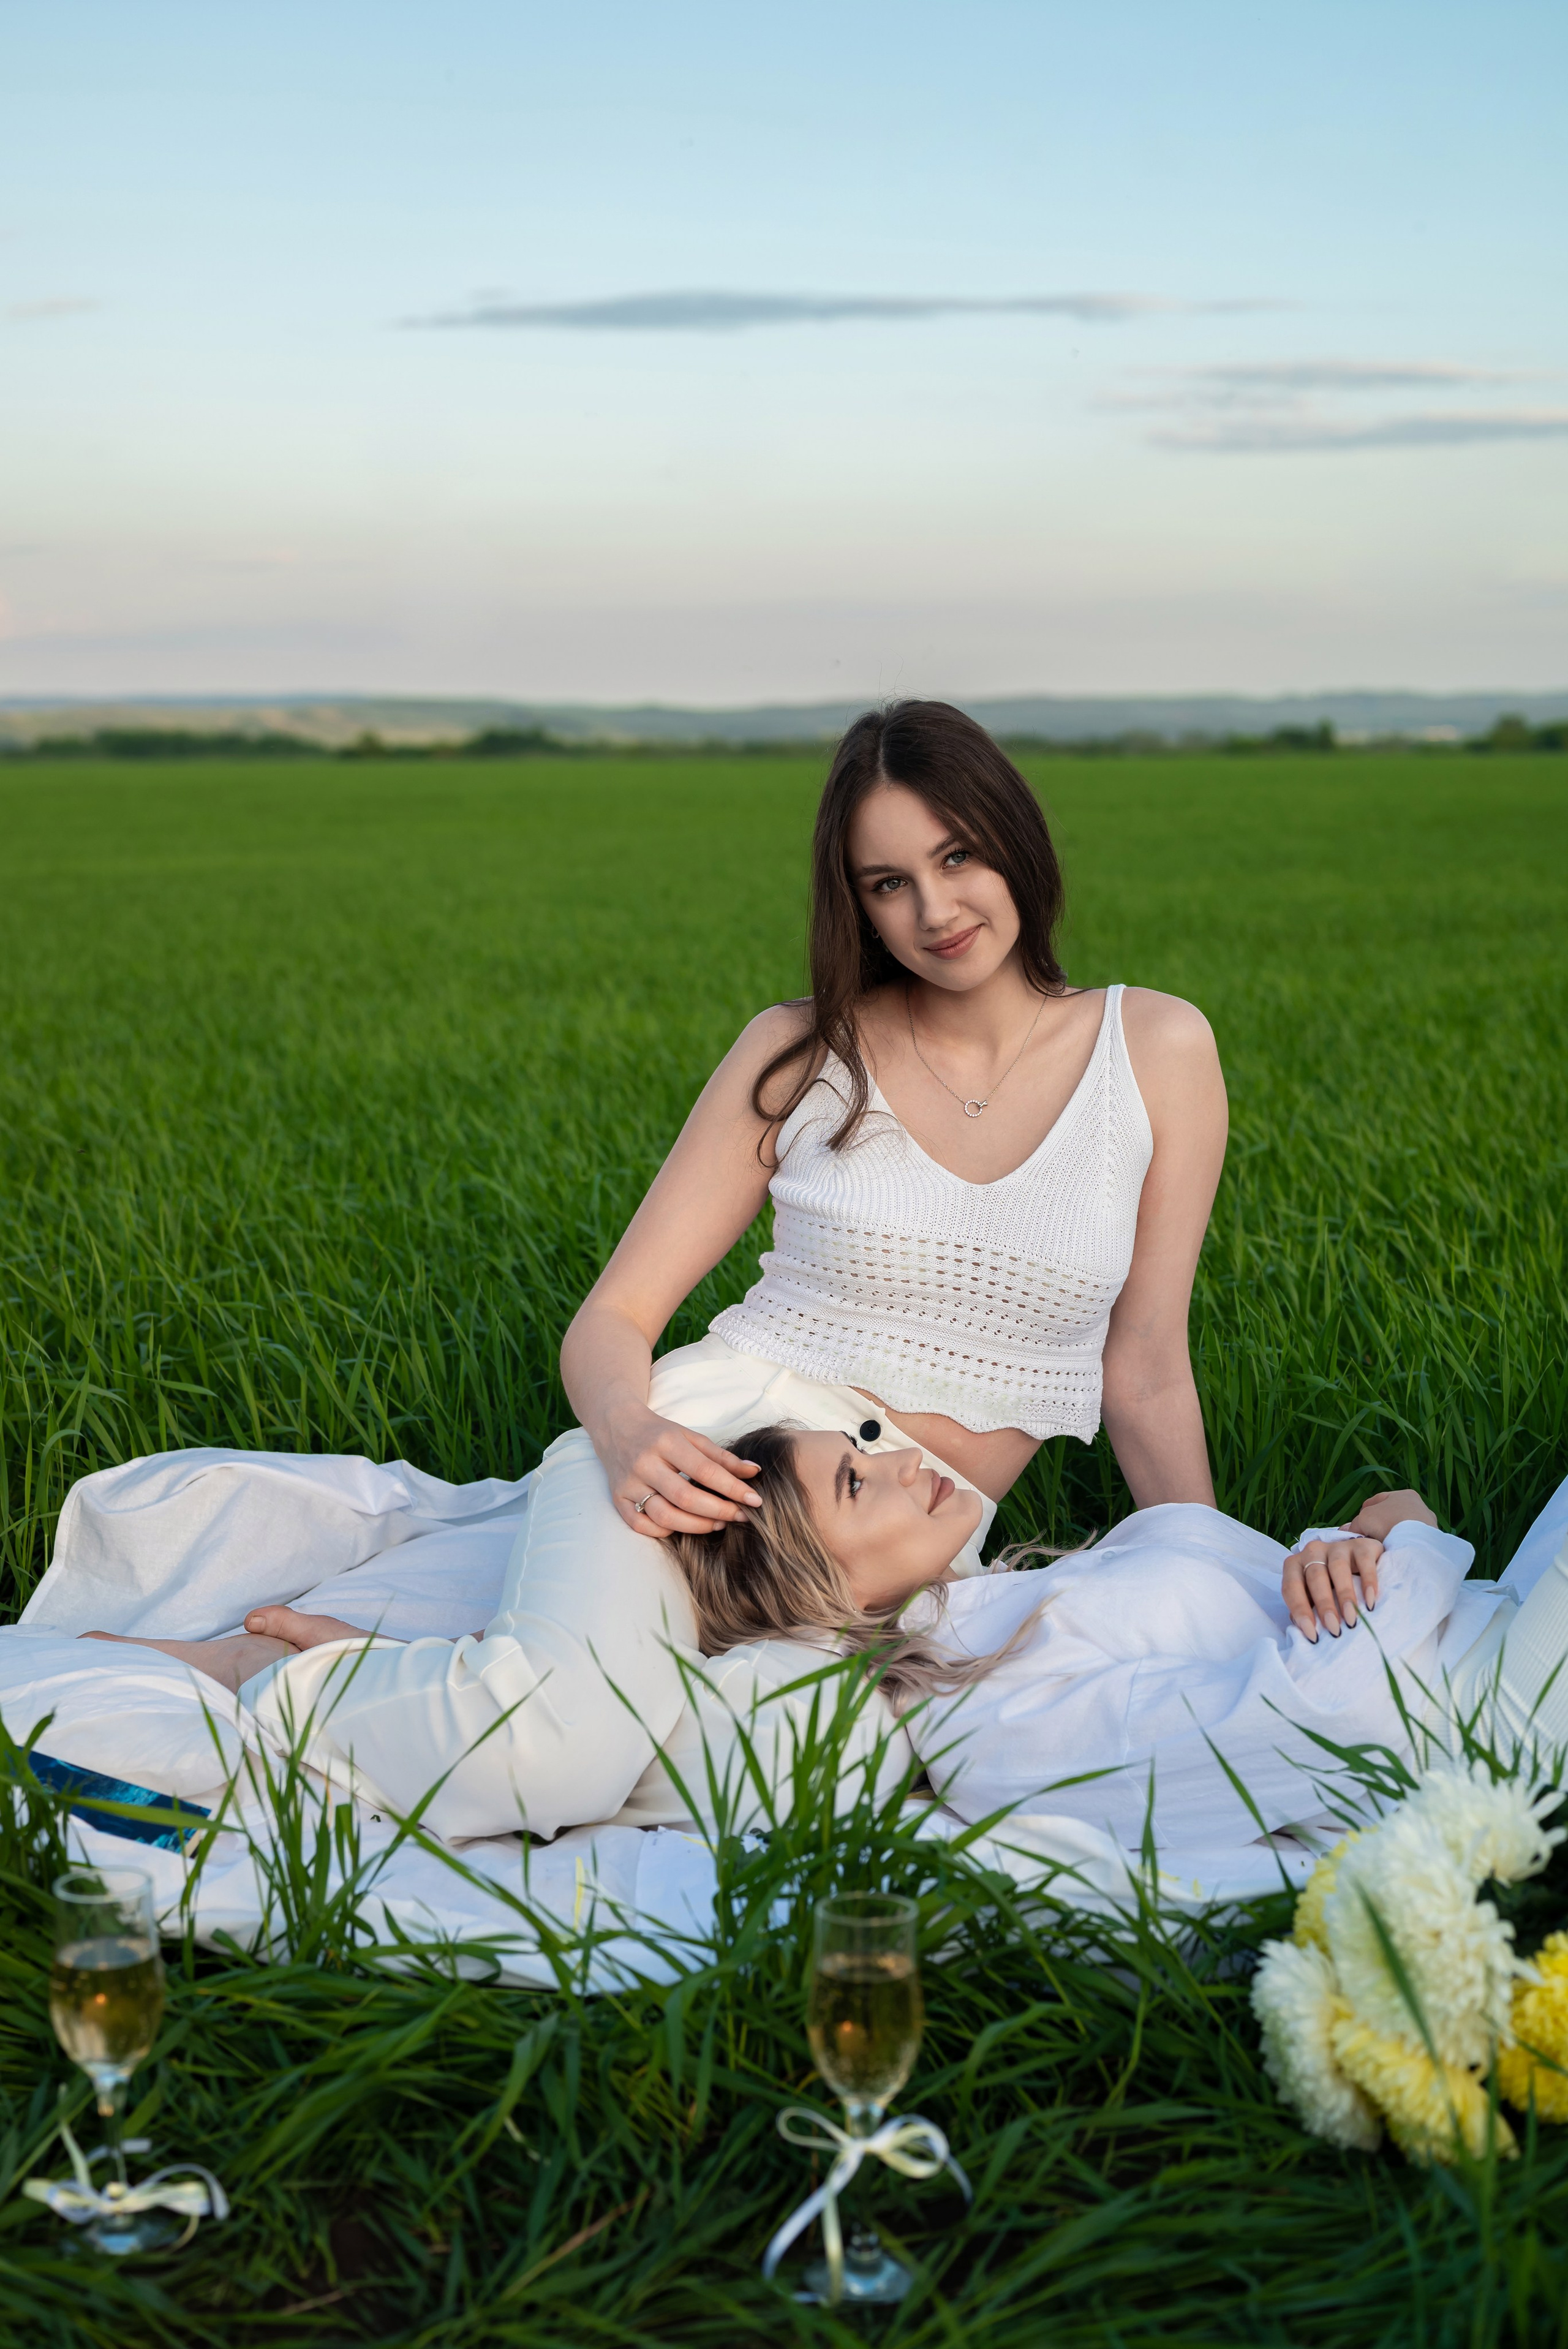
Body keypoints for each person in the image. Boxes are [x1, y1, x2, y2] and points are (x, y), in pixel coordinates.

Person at [85, 699, 1232, 1841]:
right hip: (710, 1458)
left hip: (892, 1541)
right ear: (857, 904)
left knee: (804, 1775)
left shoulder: (1155, 1051)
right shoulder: (804, 1051)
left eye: (957, 856)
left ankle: (432, 1677)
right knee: (559, 1763)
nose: (935, 910)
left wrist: (1214, 1587)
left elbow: (1144, 1374)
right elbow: (616, 1316)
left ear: (1014, 837)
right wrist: (629, 1434)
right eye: (889, 882)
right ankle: (291, 1678)